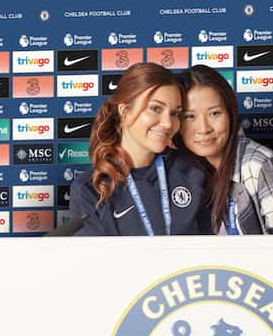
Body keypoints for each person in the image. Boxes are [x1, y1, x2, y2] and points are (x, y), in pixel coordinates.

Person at [69, 63, 212, 236]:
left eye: (175, 113)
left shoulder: (192, 171)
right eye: (155, 109)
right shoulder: (90, 188)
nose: (167, 123)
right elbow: (96, 261)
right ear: (125, 110)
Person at [176, 64, 273, 234]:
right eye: (190, 116)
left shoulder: (262, 166)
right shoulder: (179, 168)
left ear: (230, 114)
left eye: (214, 113)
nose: (204, 128)